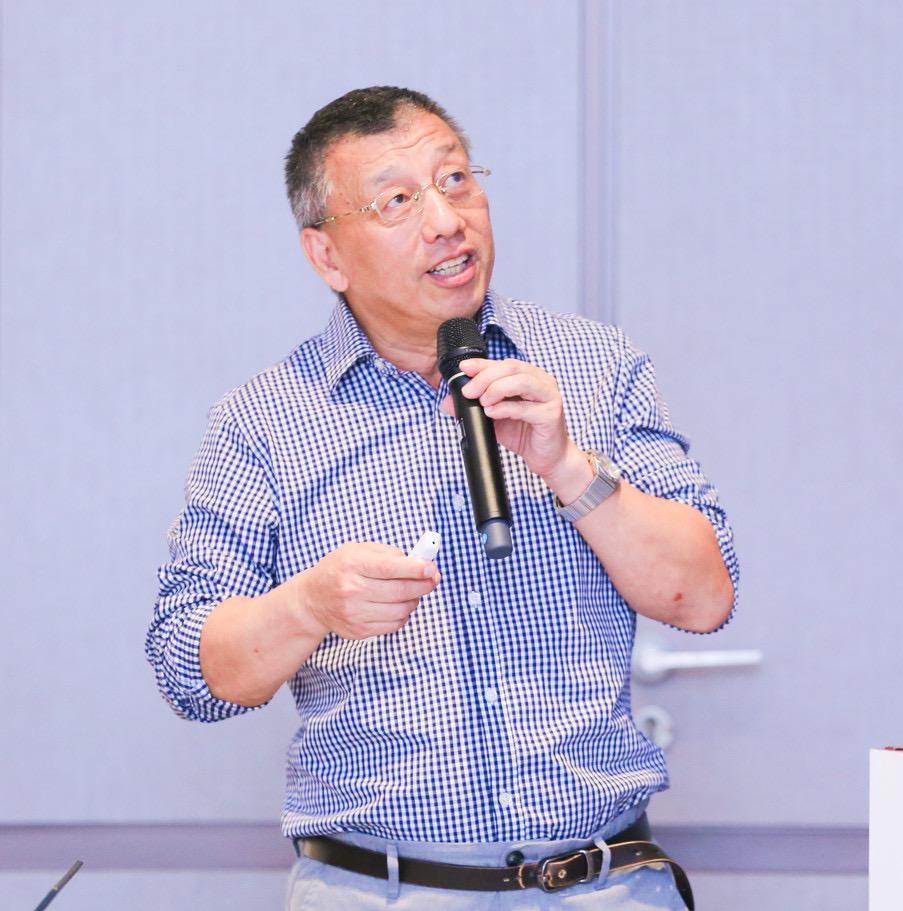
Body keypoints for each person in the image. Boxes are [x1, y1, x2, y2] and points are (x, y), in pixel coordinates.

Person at [146, 86, 738, 910]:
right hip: (381, 890)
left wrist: (570, 466)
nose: (446, 220)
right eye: (397, 201)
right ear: (328, 256)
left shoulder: (596, 366)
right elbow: (187, 666)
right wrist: (308, 605)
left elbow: (704, 597)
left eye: (455, 180)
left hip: (605, 884)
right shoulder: (264, 421)